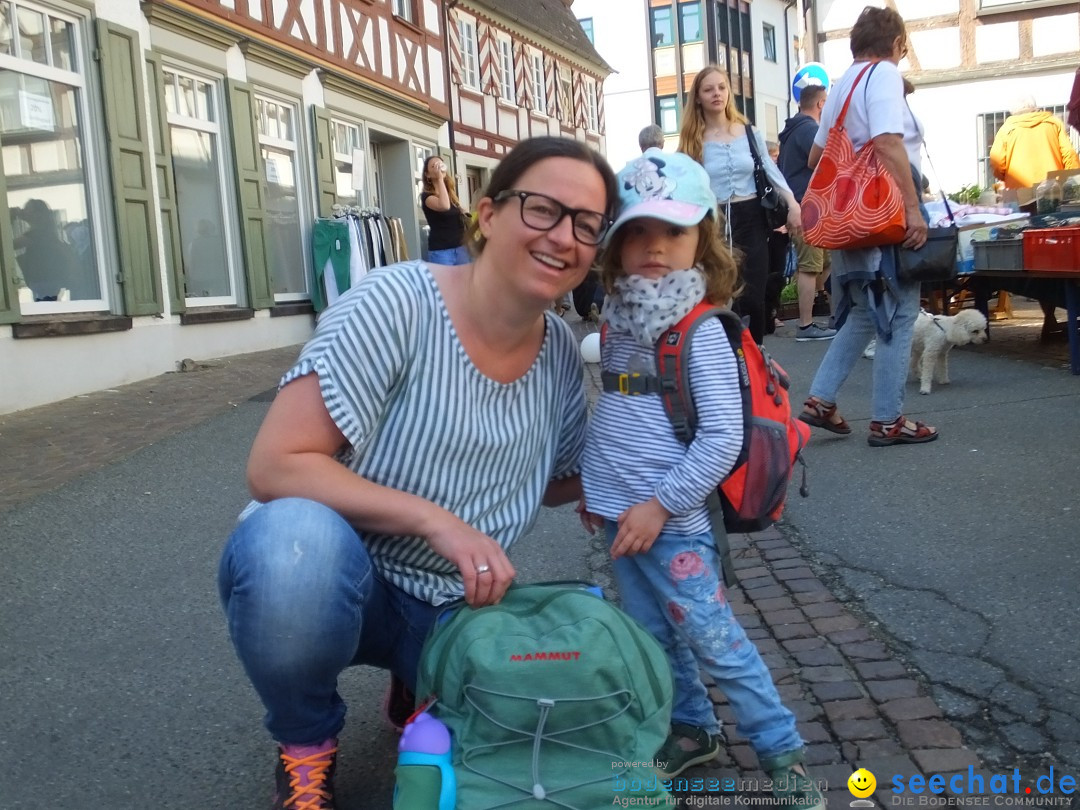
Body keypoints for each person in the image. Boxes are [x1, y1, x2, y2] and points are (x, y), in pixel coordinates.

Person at [217, 136, 618, 810]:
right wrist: (436, 521)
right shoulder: (396, 302)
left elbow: (559, 481)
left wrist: (672, 431)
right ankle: (307, 745)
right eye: (544, 209)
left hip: (458, 605)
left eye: (586, 225)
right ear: (486, 215)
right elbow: (275, 463)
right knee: (291, 553)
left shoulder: (557, 356)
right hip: (345, 573)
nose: (565, 237)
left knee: (552, 728)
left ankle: (420, 680)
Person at [579, 148, 824, 808]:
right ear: (616, 244)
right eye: (637, 231)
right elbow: (621, 415)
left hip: (672, 522)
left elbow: (722, 438)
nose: (654, 246)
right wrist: (597, 493)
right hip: (622, 517)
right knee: (652, 637)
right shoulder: (621, 319)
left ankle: (783, 754)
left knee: (719, 644)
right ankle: (692, 731)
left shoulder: (699, 330)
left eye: (673, 231)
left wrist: (658, 507)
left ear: (703, 239)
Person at [798, 5, 938, 447]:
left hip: (850, 215)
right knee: (899, 312)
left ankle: (821, 398)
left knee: (864, 309)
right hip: (885, 209)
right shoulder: (884, 76)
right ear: (897, 44)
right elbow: (887, 141)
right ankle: (887, 419)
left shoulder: (842, 85)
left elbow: (816, 158)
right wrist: (913, 208)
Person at [678, 66, 802, 344]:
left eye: (721, 87)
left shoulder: (748, 132)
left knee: (753, 296)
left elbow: (771, 170)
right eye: (708, 89)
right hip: (713, 222)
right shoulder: (692, 139)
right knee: (717, 294)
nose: (716, 94)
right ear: (698, 97)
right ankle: (721, 357)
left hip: (752, 217)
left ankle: (754, 356)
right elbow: (684, 183)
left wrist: (793, 204)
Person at [778, 84, 836, 341]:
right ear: (821, 104)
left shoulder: (792, 131)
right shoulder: (809, 130)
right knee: (810, 267)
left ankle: (828, 317)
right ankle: (806, 325)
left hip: (802, 206)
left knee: (824, 264)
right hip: (808, 207)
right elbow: (828, 160)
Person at [990, 95, 1079, 191]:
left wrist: (1004, 177)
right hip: (1052, 187)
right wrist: (1070, 178)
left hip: (1018, 189)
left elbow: (997, 160)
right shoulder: (1054, 123)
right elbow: (1069, 153)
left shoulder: (1006, 130)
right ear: (1034, 106)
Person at [12, 199, 80, 301]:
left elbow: (9, 245)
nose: (23, 211)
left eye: (28, 209)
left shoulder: (37, 234)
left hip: (44, 282)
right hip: (47, 281)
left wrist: (7, 218)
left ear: (38, 214)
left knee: (46, 308)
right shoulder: (44, 232)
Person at [420, 154, 470, 265]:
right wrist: (440, 179)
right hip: (442, 251)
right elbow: (444, 206)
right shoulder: (427, 196)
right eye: (434, 166)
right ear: (427, 175)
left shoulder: (449, 194)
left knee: (465, 281)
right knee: (444, 282)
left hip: (461, 248)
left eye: (440, 164)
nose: (438, 167)